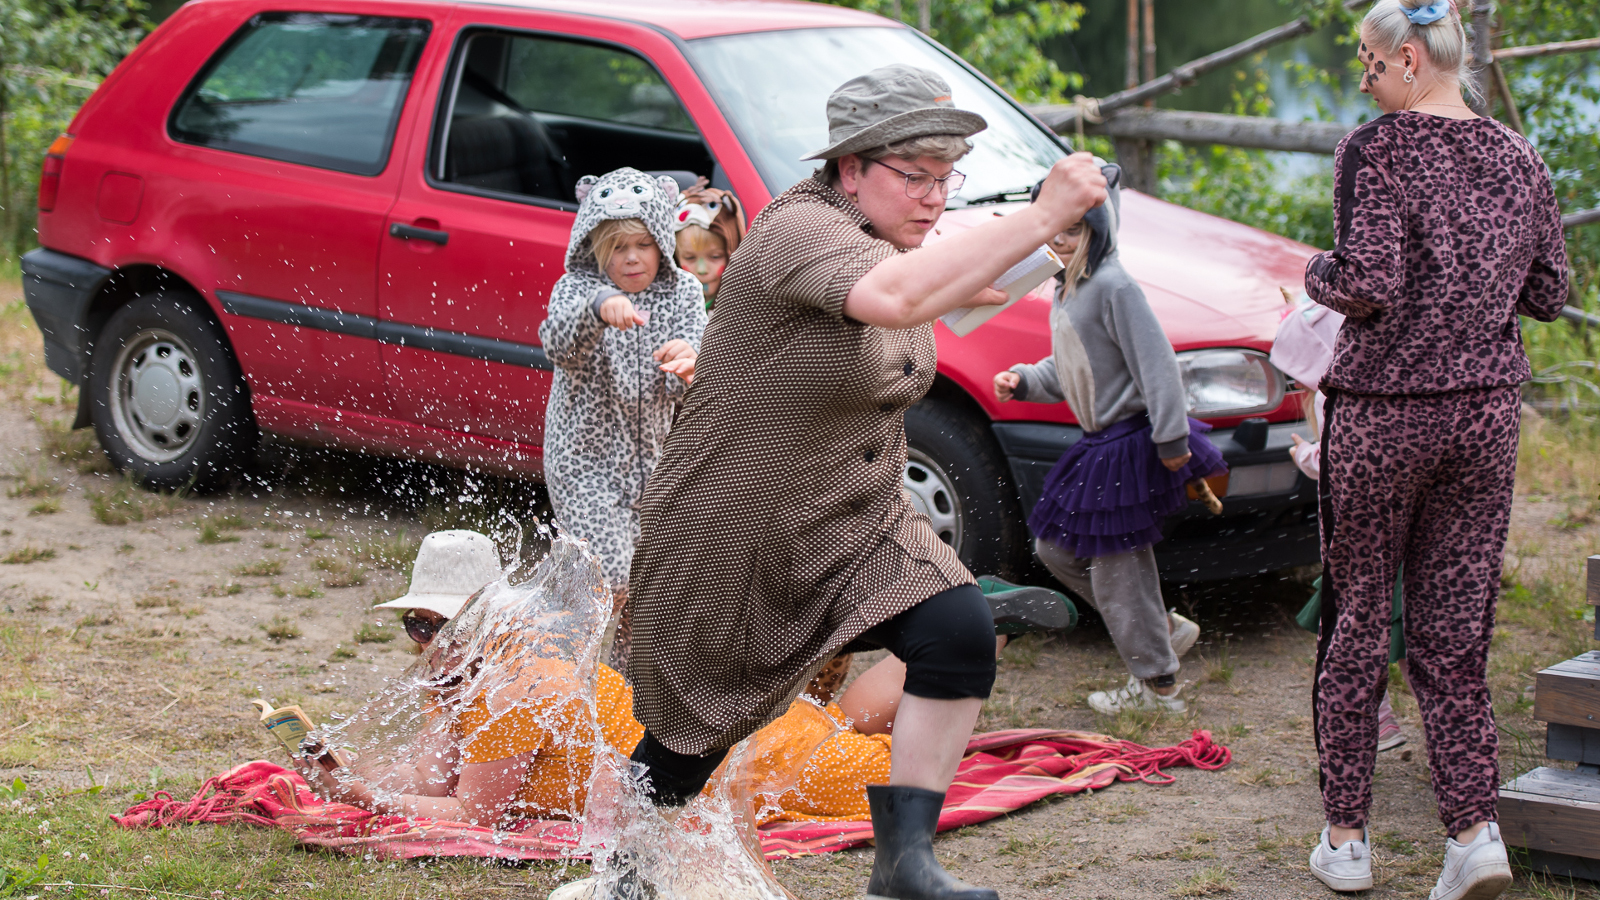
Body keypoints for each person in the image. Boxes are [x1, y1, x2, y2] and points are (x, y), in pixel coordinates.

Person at [614, 63, 1108, 900]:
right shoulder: (799, 229)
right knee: (693, 733)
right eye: (914, 176)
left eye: (945, 178)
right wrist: (1041, 212)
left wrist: (1014, 256)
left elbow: (922, 291)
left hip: (857, 515)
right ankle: (625, 869)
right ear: (850, 169)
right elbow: (894, 297)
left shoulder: (882, 241)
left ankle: (903, 866)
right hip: (736, 530)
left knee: (957, 633)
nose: (934, 197)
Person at [1301, 1, 1569, 896]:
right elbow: (1549, 291)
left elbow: (1367, 281)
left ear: (1409, 58)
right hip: (1484, 418)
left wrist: (1314, 272)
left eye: (1370, 65)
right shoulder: (1518, 155)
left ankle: (1347, 839)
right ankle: (1474, 834)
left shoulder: (1372, 149)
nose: (1364, 79)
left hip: (1384, 416)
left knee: (1357, 623)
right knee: (1456, 636)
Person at [302, 530, 1070, 831]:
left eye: (434, 625)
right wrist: (338, 769)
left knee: (901, 760)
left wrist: (359, 798)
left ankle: (964, 624)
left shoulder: (508, 690)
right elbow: (425, 777)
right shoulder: (474, 684)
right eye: (415, 625)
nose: (422, 641)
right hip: (744, 736)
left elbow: (470, 812)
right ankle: (974, 616)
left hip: (762, 765)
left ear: (479, 624)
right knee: (828, 717)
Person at [992, 170, 1221, 716]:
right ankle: (1160, 629)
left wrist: (1170, 439)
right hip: (1097, 446)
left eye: (1074, 230)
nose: (1060, 240)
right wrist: (1027, 380)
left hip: (1131, 444)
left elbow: (1157, 364)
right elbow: (1076, 366)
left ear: (1101, 227)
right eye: (1054, 228)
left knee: (1120, 570)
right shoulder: (1070, 286)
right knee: (1057, 550)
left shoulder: (1115, 285)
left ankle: (1158, 686)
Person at [538, 168, 708, 664]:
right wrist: (596, 306)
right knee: (607, 578)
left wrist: (692, 356)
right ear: (595, 249)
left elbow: (702, 356)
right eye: (616, 248)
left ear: (661, 240)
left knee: (647, 598)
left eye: (642, 244)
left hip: (656, 467)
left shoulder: (683, 293)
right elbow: (558, 346)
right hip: (584, 461)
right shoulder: (576, 290)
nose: (631, 258)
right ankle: (547, 668)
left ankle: (619, 701)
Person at [1273, 301, 1410, 756]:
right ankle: (1428, 719)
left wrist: (1304, 455)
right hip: (1399, 533)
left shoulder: (1334, 399)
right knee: (1404, 628)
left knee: (1353, 629)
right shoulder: (1386, 384)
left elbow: (1336, 461)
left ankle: (1376, 721)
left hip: (1355, 539)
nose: (1295, 379)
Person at [671, 179, 746, 310]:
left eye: (715, 257)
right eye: (690, 258)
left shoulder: (743, 307)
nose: (702, 269)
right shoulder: (670, 305)